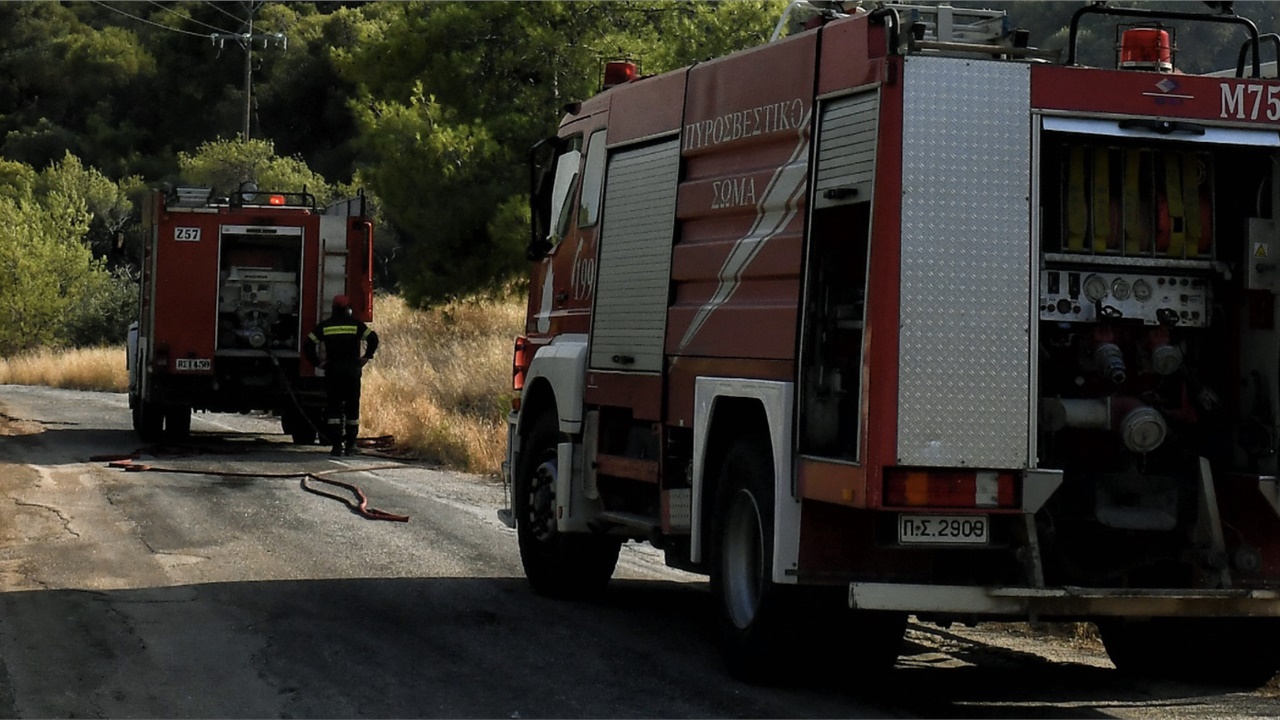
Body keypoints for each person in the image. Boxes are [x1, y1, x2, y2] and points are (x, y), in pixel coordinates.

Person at [303, 295, 379, 456]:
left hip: (333, 372)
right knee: (352, 408)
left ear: (333, 309)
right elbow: (373, 338)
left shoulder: (325, 326)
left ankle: (336, 446)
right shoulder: (355, 325)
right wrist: (366, 356)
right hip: (352, 371)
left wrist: (318, 362)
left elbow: (308, 345)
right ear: (348, 309)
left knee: (334, 408)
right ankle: (351, 445)